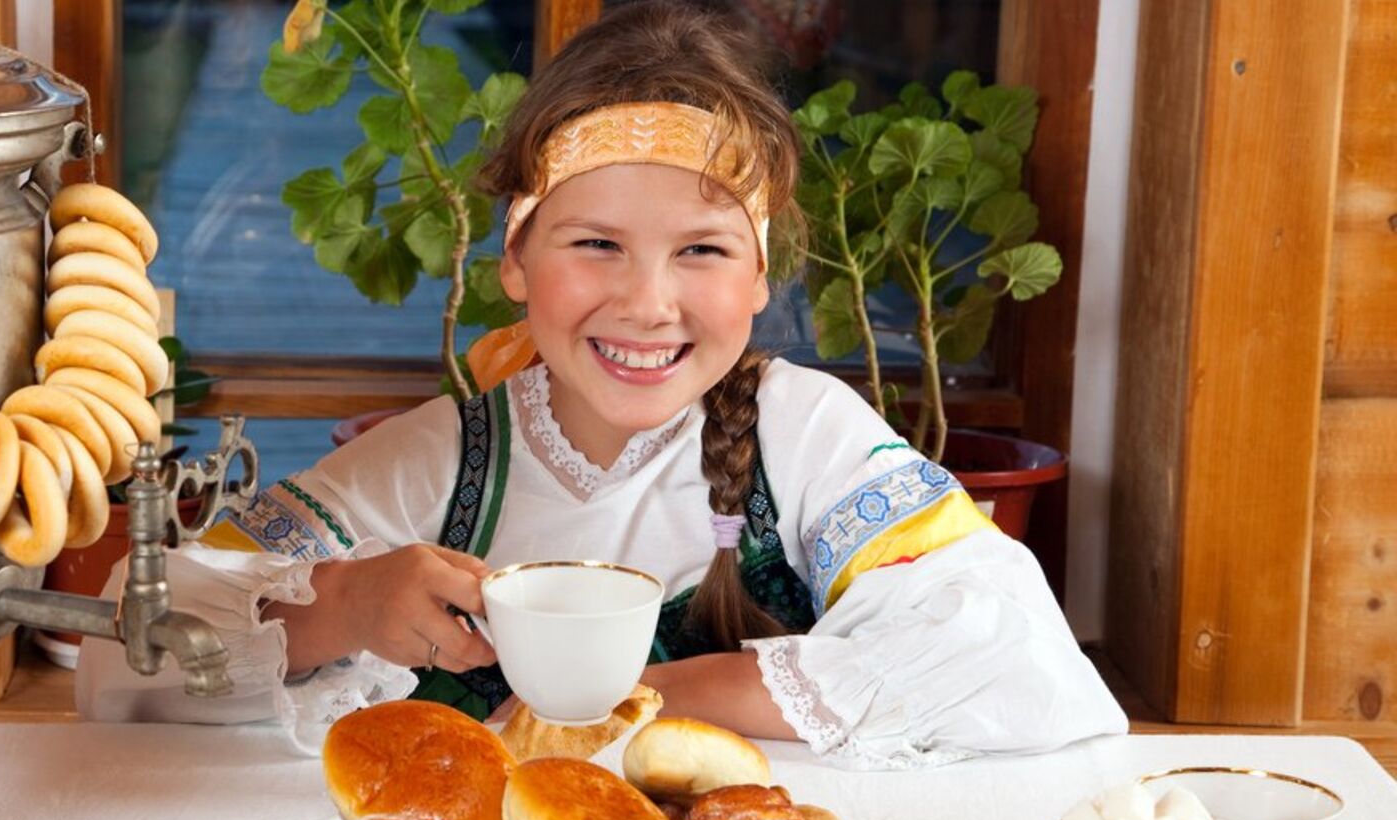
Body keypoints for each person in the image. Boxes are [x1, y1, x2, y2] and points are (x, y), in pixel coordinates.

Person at [79, 0, 1126, 767]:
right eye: (596, 243)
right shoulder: (436, 466)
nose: (648, 303)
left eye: (703, 252)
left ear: (763, 277)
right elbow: (130, 663)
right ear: (515, 262)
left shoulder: (799, 434)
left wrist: (641, 703)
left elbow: (1013, 654)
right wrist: (345, 606)